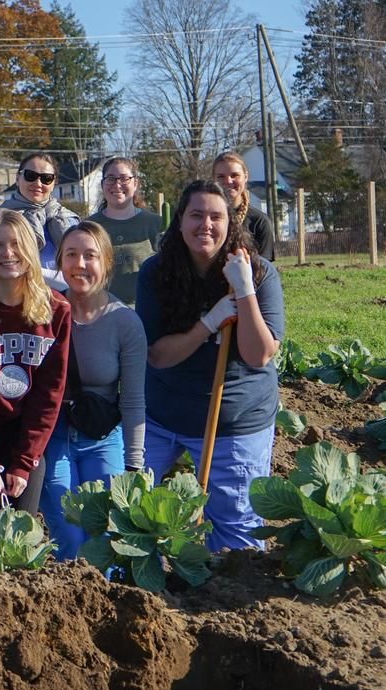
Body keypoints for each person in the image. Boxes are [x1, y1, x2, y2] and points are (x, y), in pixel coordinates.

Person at [135, 180, 283, 551]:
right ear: (180, 221)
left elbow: (258, 355)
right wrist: (209, 322)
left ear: (230, 223)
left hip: (234, 418)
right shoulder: (156, 273)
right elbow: (158, 356)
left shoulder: (260, 273)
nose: (206, 224)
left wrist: (244, 289)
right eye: (196, 215)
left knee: (238, 537)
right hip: (162, 415)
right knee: (128, 512)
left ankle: (226, 599)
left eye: (216, 216)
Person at [39, 221, 147, 560]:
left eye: (90, 255)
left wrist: (134, 464)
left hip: (102, 439)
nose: (80, 264)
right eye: (71, 254)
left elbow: (132, 399)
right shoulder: (43, 312)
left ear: (106, 263)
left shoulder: (124, 322)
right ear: (59, 261)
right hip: (53, 437)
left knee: (104, 538)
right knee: (68, 540)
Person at [0, 209, 70, 519]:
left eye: (16, 244)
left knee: (20, 536)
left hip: (25, 440)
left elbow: (49, 395)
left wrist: (23, 462)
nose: (8, 253)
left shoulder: (56, 309)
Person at [0, 152, 80, 290]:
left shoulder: (69, 221)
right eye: (30, 176)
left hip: (66, 301)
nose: (38, 183)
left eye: (46, 178)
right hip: (15, 299)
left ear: (54, 183)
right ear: (18, 178)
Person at [86, 157, 163, 305]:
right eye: (110, 178)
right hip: (101, 311)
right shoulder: (90, 226)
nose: (117, 184)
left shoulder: (155, 224)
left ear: (135, 184)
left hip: (145, 311)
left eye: (124, 178)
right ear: (102, 185)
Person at [212, 151, 275, 261]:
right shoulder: (204, 219)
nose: (228, 181)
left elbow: (266, 272)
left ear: (245, 177)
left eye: (234, 175)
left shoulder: (260, 222)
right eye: (221, 177)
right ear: (213, 179)